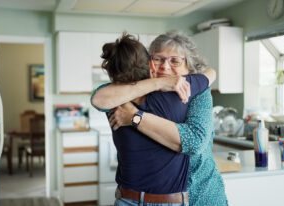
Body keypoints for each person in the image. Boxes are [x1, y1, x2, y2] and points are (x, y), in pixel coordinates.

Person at [91, 32, 228, 206]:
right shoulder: (131, 91)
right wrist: (160, 83)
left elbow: (194, 141)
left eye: (175, 61)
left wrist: (134, 117)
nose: (165, 66)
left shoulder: (197, 92)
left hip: (201, 195)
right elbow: (99, 97)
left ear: (189, 68)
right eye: (158, 59)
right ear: (149, 64)